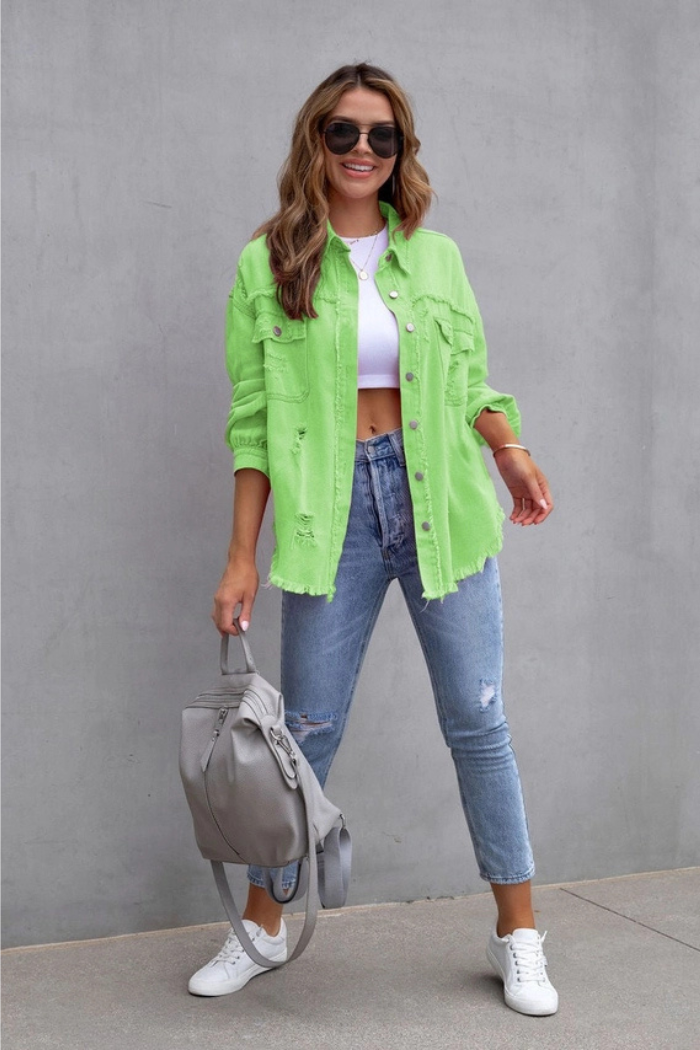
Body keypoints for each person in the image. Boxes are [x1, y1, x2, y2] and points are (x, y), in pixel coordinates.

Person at [188, 63, 558, 1016]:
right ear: (315, 140)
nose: (361, 150)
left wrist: (508, 450)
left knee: (479, 720)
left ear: (401, 154)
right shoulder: (266, 263)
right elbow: (254, 420)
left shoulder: (436, 259)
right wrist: (240, 556)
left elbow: (472, 377)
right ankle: (265, 930)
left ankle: (519, 935)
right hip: (328, 510)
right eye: (343, 132)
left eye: (381, 136)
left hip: (439, 501)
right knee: (302, 739)